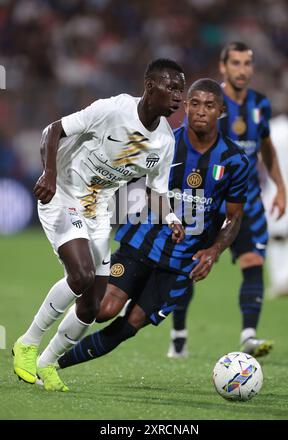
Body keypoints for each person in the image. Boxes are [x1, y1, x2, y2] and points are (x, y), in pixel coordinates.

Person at [53, 78, 250, 390]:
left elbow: (235, 217)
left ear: (221, 111)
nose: (200, 111)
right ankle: (48, 355)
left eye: (209, 105)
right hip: (140, 242)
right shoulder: (164, 142)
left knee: (131, 324)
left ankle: (53, 365)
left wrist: (214, 251)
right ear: (185, 107)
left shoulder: (235, 161)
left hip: (181, 263)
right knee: (104, 309)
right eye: (194, 103)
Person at [12, 58, 186, 391]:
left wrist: (172, 218)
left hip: (97, 208)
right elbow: (53, 130)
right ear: (150, 86)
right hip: (63, 192)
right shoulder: (114, 109)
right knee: (81, 276)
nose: (179, 96)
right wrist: (49, 173)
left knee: (92, 306)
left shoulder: (164, 141)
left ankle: (47, 364)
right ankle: (27, 342)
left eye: (182, 89)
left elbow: (156, 191)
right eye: (172, 87)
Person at [168, 42, 286, 359]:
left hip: (245, 197)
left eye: (248, 63)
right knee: (189, 265)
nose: (242, 69)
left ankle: (248, 335)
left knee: (253, 262)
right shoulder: (209, 101)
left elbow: (267, 148)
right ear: (223, 67)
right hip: (205, 200)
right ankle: (178, 331)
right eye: (235, 63)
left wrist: (281, 187)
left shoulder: (260, 103)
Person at [262, 93, 288, 298]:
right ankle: (278, 281)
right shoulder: (275, 127)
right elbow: (263, 155)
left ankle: (284, 280)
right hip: (276, 190)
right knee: (276, 237)